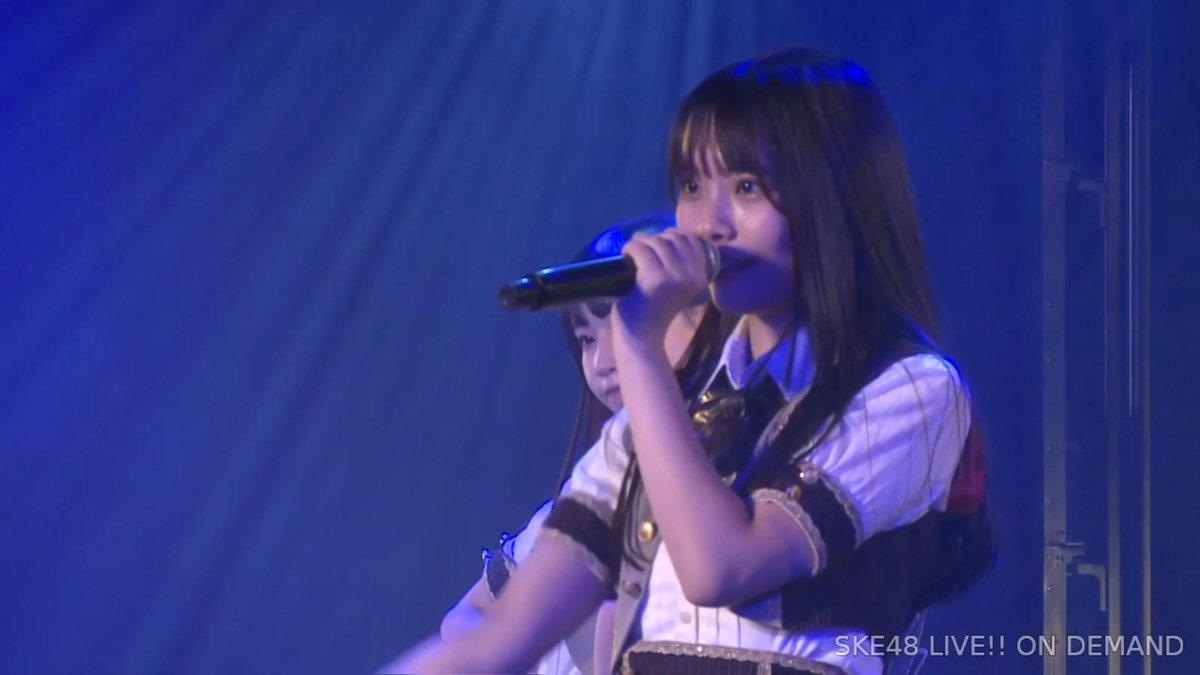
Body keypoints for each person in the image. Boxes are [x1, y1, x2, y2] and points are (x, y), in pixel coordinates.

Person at [391, 47, 994, 675]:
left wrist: (641, 347)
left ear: (834, 198)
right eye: (691, 187)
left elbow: (720, 567)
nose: (709, 224)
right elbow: (498, 639)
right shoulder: (665, 420)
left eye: (746, 187)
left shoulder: (912, 391)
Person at [434, 216, 718, 675]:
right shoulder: (589, 494)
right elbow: (466, 619)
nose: (603, 361)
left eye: (627, 325)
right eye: (587, 339)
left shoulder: (740, 495)